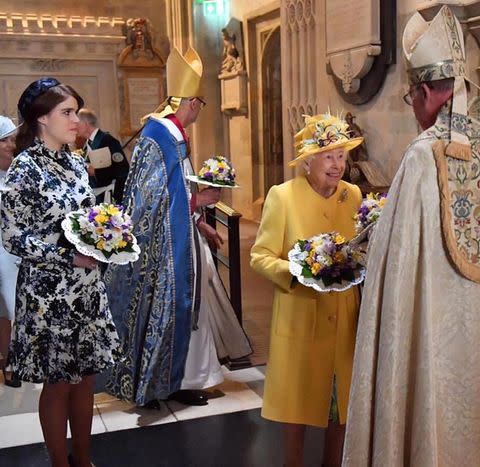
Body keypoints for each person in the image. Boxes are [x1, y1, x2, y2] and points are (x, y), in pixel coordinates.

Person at [343, 6, 480, 465]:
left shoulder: (424, 156)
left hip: (434, 340)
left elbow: (394, 269)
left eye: (410, 98)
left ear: (423, 91)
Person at [105, 46, 251, 408]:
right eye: (200, 103)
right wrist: (199, 203)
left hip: (179, 237)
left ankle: (184, 379)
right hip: (167, 249)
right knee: (175, 308)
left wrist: (201, 223)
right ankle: (164, 382)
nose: (200, 111)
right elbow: (155, 202)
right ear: (191, 103)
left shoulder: (166, 133)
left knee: (190, 310)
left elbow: (172, 190)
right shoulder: (164, 137)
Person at [1, 77, 120, 467]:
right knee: (57, 384)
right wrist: (67, 258)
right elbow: (13, 239)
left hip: (86, 286)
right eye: (66, 113)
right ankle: (60, 462)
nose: (75, 120)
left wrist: (107, 239)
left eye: (75, 112)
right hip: (48, 294)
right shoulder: (24, 168)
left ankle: (83, 458)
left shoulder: (73, 160)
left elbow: (86, 220)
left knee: (84, 379)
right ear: (41, 119)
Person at [250, 113, 363, 467]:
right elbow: (260, 256)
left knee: (340, 398)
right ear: (308, 160)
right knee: (296, 399)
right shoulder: (282, 196)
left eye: (342, 155)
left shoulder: (354, 194)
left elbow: (359, 248)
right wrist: (296, 272)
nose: (337, 164)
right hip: (299, 313)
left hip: (344, 314)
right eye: (329, 155)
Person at [0, 115, 21, 388]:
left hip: (10, 252)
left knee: (9, 308)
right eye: (5, 140)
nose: (11, 146)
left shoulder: (15, 174)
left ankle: (11, 359)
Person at [76, 108, 129, 203]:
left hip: (108, 195)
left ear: (85, 124)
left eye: (77, 124)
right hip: (95, 193)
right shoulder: (87, 144)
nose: (75, 127)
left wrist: (96, 172)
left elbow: (122, 169)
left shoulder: (107, 140)